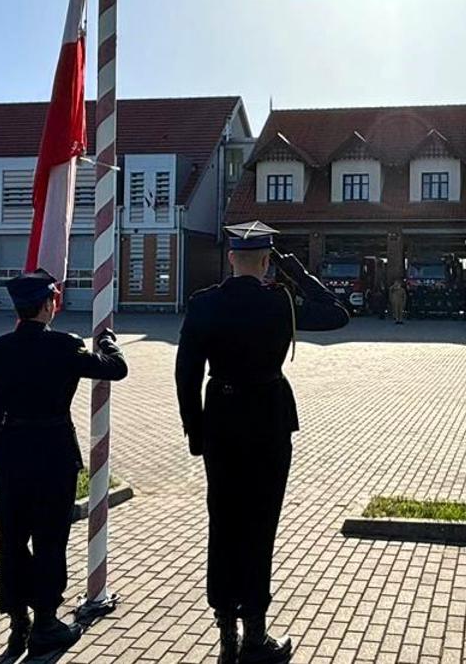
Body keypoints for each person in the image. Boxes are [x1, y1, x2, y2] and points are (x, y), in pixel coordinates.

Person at [176, 221, 349, 664]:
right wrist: (297, 272)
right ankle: (255, 633)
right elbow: (336, 312)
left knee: (224, 523)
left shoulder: (203, 304)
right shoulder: (280, 302)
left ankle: (226, 633)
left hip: (221, 421)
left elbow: (186, 375)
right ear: (267, 261)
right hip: (268, 423)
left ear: (231, 257)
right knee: (259, 526)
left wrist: (195, 430)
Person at [0, 269, 128, 657]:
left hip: (11, 455)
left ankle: (17, 622)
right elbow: (114, 368)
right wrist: (107, 342)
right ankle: (45, 622)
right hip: (54, 453)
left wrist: (0, 448)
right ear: (49, 305)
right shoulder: (65, 345)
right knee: (49, 540)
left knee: (11, 541)